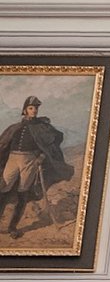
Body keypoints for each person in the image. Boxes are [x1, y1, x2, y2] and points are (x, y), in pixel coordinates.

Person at [0, 95, 73, 238]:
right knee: (4, 188)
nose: (34, 111)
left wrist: (41, 156)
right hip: (12, 159)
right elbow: (4, 142)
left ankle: (12, 227)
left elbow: (54, 141)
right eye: (31, 108)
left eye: (36, 108)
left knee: (23, 192)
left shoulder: (42, 127)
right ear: (25, 110)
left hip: (29, 161)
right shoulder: (15, 127)